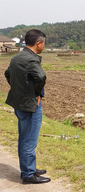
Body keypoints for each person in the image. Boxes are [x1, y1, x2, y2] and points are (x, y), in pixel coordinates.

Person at [4, 29, 51, 184]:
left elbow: (7, 74)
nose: (44, 45)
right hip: (30, 105)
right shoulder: (31, 59)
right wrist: (37, 94)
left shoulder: (17, 57)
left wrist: (19, 89)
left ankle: (28, 168)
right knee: (29, 140)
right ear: (38, 43)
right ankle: (29, 174)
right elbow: (41, 77)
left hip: (19, 102)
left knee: (24, 137)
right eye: (43, 42)